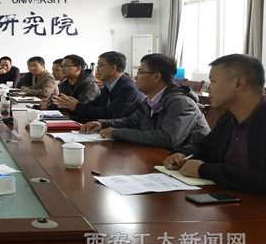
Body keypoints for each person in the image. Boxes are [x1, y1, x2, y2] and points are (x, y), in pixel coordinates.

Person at [163, 54, 266, 194]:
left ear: (238, 84)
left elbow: (261, 179)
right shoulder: (228, 119)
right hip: (228, 200)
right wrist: (182, 154)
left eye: (213, 81)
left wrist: (204, 170)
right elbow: (205, 146)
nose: (208, 89)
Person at [80, 53, 210, 150]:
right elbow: (130, 121)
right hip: (161, 157)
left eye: (140, 72)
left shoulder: (181, 103)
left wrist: (116, 133)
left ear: (156, 76)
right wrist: (101, 124)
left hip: (187, 163)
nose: (136, 77)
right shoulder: (151, 101)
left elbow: (167, 138)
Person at [54, 51, 144, 119]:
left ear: (113, 68)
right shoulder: (108, 87)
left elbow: (112, 114)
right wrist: (74, 105)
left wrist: (77, 106)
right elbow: (93, 106)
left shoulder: (128, 89)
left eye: (100, 66)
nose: (97, 70)